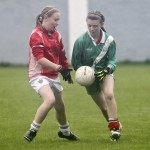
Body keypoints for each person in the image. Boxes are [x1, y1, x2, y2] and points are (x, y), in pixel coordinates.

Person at [24, 5, 79, 142]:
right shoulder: (36, 35)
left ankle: (65, 131)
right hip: (38, 75)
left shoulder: (56, 34)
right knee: (50, 100)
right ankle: (33, 130)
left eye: (58, 20)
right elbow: (40, 59)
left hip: (53, 75)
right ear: (46, 18)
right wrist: (59, 68)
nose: (57, 23)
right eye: (55, 19)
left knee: (60, 106)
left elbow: (61, 53)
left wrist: (66, 70)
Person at [71, 10, 122, 141]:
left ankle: (114, 129)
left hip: (105, 73)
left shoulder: (109, 40)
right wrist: (83, 74)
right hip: (89, 78)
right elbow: (76, 62)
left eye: (95, 26)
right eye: (89, 25)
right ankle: (115, 124)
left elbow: (112, 61)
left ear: (101, 24)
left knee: (109, 95)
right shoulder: (81, 41)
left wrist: (107, 70)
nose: (92, 28)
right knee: (104, 108)